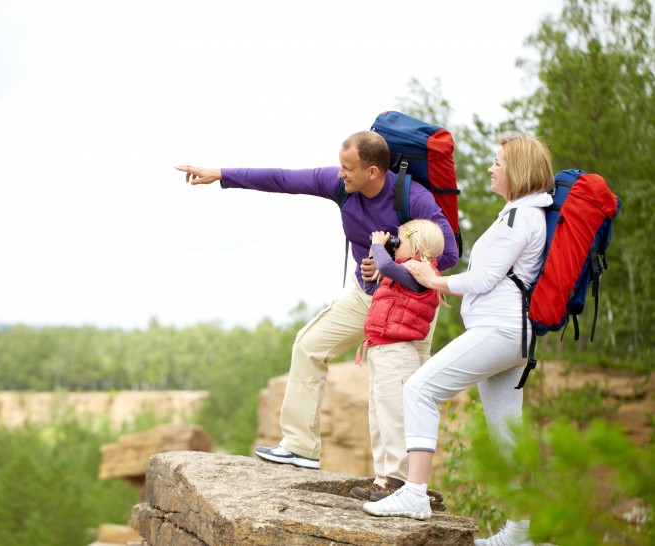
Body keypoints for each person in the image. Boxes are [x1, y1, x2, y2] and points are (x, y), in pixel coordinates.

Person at [176, 131, 459, 487]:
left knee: (399, 391)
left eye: (348, 168)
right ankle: (300, 447)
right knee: (309, 345)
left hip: (407, 304)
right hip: (365, 297)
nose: (340, 174)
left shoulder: (413, 198)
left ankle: (398, 484)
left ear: (373, 171)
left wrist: (393, 258)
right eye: (340, 166)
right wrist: (221, 174)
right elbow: (283, 179)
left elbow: (448, 253)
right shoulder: (340, 184)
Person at [361, 134, 554, 546]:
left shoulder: (521, 217)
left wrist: (436, 280)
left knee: (418, 389)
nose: (491, 167)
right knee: (507, 434)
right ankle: (520, 533)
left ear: (516, 169)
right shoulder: (520, 214)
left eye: (497, 161)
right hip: (512, 334)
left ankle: (414, 493)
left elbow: (485, 279)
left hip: (499, 331)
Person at [354, 219, 448, 504]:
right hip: (381, 351)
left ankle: (399, 481)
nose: (393, 243)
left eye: (399, 240)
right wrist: (371, 275)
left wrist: (377, 246)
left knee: (395, 418)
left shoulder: (421, 271)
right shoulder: (402, 274)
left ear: (417, 246)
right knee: (379, 417)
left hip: (397, 354)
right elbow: (379, 291)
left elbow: (387, 267)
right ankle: (383, 479)